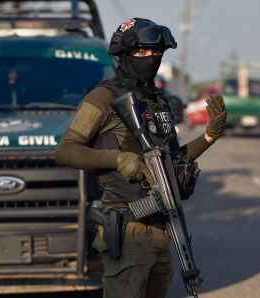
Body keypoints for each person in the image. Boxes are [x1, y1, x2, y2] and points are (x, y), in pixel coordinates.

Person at [55, 18, 226, 298]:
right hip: (127, 229)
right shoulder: (103, 98)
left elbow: (171, 162)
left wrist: (209, 136)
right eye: (142, 53)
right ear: (124, 55)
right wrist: (119, 160)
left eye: (156, 53)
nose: (150, 59)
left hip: (161, 229)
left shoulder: (159, 102)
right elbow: (66, 150)